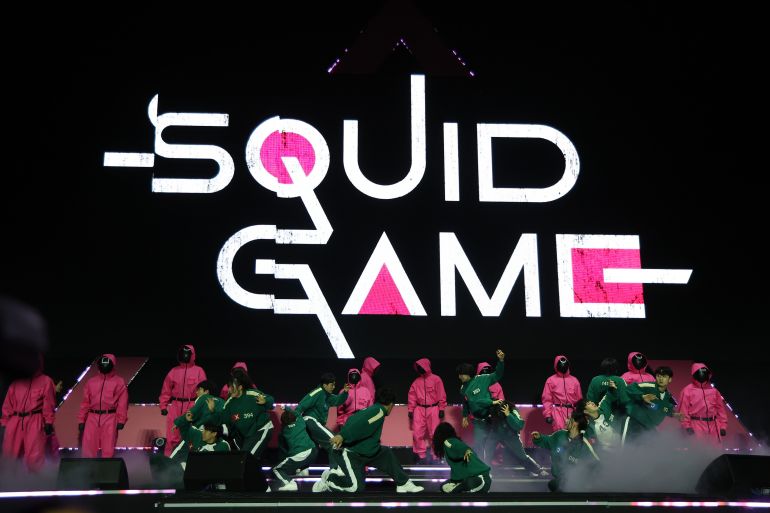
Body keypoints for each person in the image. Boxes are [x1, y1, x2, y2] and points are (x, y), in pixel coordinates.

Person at [313, 388, 423, 493]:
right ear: (391, 404)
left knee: (385, 453)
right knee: (355, 488)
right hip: (353, 455)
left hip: (367, 451)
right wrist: (342, 436)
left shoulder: (374, 409)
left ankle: (403, 483)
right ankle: (329, 479)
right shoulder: (378, 412)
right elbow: (360, 425)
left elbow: (353, 419)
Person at [1, 353, 56, 472]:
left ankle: (34, 483)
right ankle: (8, 483)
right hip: (14, 421)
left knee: (35, 457)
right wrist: (4, 423)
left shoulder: (46, 381)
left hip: (35, 420)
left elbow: (49, 404)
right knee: (9, 455)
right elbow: (7, 405)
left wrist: (48, 422)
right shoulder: (16, 383)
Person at [532, 403, 600, 492]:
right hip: (559, 483)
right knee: (553, 485)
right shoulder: (560, 435)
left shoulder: (584, 444)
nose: (565, 420)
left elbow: (595, 465)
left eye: (569, 418)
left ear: (575, 423)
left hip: (577, 486)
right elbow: (547, 441)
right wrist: (539, 438)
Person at [207, 370, 274, 459]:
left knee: (247, 458)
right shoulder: (230, 403)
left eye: (232, 387)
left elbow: (271, 400)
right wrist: (212, 411)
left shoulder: (252, 394)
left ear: (240, 387)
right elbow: (220, 419)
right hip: (247, 436)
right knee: (244, 460)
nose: (229, 390)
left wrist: (265, 401)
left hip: (261, 429)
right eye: (229, 387)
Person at [159, 344, 207, 456]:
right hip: (175, 405)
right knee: (172, 436)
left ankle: (188, 463)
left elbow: (205, 392)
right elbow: (166, 390)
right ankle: (168, 463)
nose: (185, 355)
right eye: (183, 353)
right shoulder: (173, 371)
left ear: (192, 355)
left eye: (187, 353)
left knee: (189, 435)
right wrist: (163, 406)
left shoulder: (199, 371)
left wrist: (201, 408)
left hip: (192, 406)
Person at [616, 366, 684, 444]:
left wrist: (674, 414)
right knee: (627, 449)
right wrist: (642, 396)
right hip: (633, 422)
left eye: (664, 376)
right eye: (658, 376)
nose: (661, 379)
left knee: (646, 452)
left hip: (648, 427)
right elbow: (628, 389)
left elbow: (664, 409)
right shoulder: (648, 386)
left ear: (670, 379)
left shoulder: (668, 397)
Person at [77, 354, 128, 458]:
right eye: (102, 364)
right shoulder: (91, 381)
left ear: (112, 365)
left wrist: (121, 420)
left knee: (108, 448)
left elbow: (123, 402)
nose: (104, 366)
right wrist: (81, 419)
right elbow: (85, 402)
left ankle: (107, 472)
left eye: (107, 364)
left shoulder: (119, 381)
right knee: (88, 447)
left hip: (110, 417)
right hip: (92, 416)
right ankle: (87, 471)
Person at [458, 349, 505, 462]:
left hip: (492, 418)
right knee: (478, 445)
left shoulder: (483, 379)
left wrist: (501, 361)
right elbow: (467, 403)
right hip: (479, 421)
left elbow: (498, 374)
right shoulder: (463, 389)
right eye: (459, 374)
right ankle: (481, 468)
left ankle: (500, 462)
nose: (460, 377)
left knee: (502, 442)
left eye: (462, 374)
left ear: (468, 374)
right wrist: (464, 416)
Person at [167, 380, 223, 461]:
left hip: (198, 433)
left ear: (206, 391)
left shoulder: (204, 398)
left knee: (177, 455)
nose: (196, 392)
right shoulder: (222, 401)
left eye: (199, 389)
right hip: (215, 436)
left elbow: (192, 412)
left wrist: (178, 422)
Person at [296, 373, 349, 453]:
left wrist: (345, 392)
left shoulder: (327, 395)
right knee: (334, 441)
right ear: (325, 385)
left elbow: (337, 400)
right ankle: (336, 465)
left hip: (316, 423)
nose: (334, 387)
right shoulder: (318, 392)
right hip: (310, 421)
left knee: (310, 451)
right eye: (332, 385)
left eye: (334, 385)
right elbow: (302, 405)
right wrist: (294, 422)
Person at [432, 422, 491, 493]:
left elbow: (462, 447)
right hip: (466, 479)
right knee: (443, 486)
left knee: (468, 483)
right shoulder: (450, 443)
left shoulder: (448, 442)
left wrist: (467, 450)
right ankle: (460, 486)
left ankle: (460, 487)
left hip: (480, 477)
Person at [407, 357, 446, 463]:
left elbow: (441, 394)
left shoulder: (436, 379)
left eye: (421, 366)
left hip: (433, 408)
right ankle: (421, 455)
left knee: (435, 433)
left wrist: (441, 408)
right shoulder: (416, 382)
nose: (419, 368)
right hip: (419, 409)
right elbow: (412, 396)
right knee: (417, 433)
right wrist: (411, 410)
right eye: (417, 367)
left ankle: (436, 455)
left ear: (426, 366)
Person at [678, 363, 728, 445]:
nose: (702, 375)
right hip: (696, 425)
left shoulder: (714, 391)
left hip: (714, 425)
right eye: (700, 373)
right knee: (699, 450)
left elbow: (720, 409)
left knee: (715, 451)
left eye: (704, 373)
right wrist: (687, 426)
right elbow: (682, 410)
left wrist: (723, 426)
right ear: (694, 374)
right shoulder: (687, 391)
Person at [272, 408, 318, 491]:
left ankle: (290, 483)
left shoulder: (284, 431)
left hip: (299, 454)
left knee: (276, 469)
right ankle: (303, 469)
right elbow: (296, 413)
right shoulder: (300, 422)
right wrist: (286, 408)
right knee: (299, 461)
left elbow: (283, 451)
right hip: (312, 451)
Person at [541, 355, 583, 432]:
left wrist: (580, 413)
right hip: (558, 413)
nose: (563, 366)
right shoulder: (550, 380)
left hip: (573, 413)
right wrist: (548, 415)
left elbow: (579, 400)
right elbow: (547, 400)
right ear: (556, 366)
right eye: (560, 364)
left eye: (565, 364)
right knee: (560, 437)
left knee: (574, 436)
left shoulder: (574, 380)